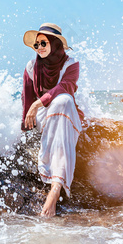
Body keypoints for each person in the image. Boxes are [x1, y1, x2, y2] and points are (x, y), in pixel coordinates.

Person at [21, 23, 84, 217]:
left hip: (65, 111)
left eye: (43, 43)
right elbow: (27, 99)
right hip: (43, 116)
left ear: (55, 43)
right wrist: (25, 126)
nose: (39, 47)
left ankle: (55, 188)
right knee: (57, 104)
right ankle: (56, 184)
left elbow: (66, 87)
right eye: (36, 44)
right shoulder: (31, 67)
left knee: (62, 101)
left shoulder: (71, 64)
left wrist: (37, 104)